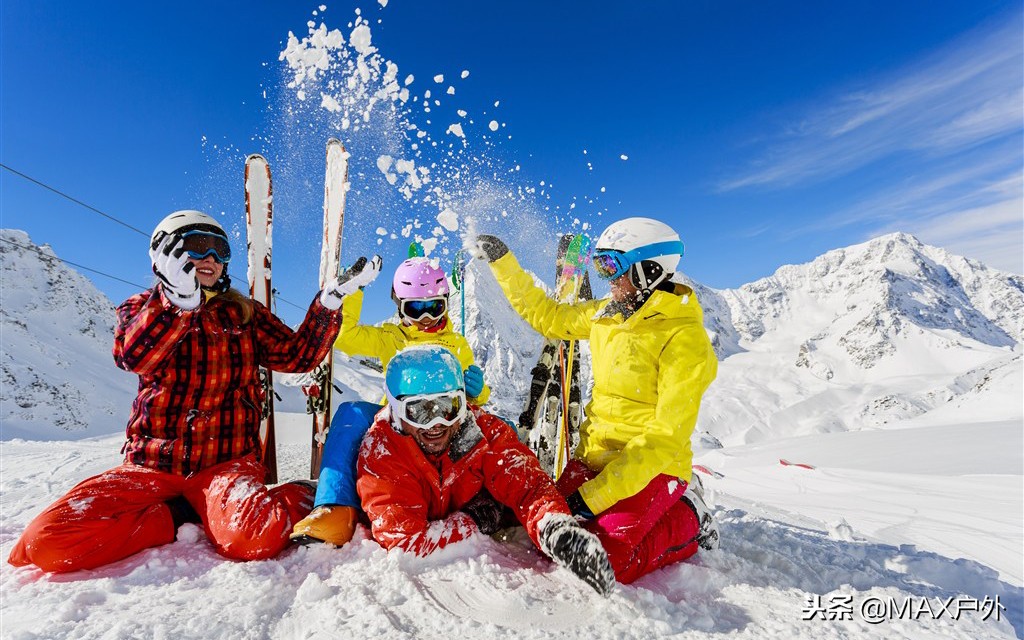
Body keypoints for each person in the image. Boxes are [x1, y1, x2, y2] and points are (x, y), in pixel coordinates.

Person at [7, 210, 376, 573]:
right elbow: (133, 356)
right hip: (151, 465)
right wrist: (177, 305)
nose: (211, 259)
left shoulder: (244, 314)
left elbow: (297, 357)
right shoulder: (141, 309)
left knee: (254, 539)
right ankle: (180, 513)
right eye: (197, 247)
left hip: (225, 462)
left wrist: (328, 303)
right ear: (164, 255)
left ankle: (303, 494)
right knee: (46, 542)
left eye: (220, 250)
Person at [473, 216, 720, 585]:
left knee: (610, 562)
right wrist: (503, 262)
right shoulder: (607, 315)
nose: (607, 278)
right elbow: (549, 317)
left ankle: (688, 515)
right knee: (552, 538)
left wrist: (591, 498)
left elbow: (664, 439)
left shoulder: (684, 340)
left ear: (650, 270)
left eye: (613, 266)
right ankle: (633, 509)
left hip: (653, 468)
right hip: (595, 456)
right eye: (601, 265)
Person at [356, 345, 615, 595]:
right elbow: (407, 544)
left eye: (448, 407)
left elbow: (529, 484)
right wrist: (476, 520)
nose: (436, 424)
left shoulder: (480, 431)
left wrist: (555, 528)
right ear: (396, 410)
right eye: (419, 412)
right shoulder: (382, 452)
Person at [291, 257, 490, 546]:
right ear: (399, 307)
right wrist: (355, 290)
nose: (426, 319)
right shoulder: (390, 337)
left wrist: (478, 391)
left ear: (446, 303)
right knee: (352, 412)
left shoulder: (457, 344)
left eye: (434, 307)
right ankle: (335, 507)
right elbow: (345, 338)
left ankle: (497, 501)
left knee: (494, 427)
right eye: (415, 309)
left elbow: (474, 399)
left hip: (444, 423)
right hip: (398, 421)